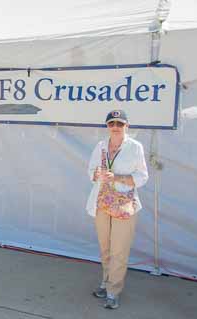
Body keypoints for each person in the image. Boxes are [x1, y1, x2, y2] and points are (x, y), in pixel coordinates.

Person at [86, 110, 148, 310]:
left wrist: (118, 178)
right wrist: (96, 174)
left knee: (119, 250)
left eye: (119, 124)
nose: (115, 127)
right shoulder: (101, 146)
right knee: (105, 248)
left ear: (126, 126)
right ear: (107, 126)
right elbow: (90, 171)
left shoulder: (135, 147)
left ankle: (114, 291)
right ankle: (105, 282)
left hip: (124, 205)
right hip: (102, 202)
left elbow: (142, 176)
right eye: (111, 123)